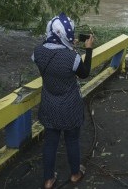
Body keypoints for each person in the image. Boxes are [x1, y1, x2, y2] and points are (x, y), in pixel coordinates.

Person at [32, 12, 94, 189]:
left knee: (50, 142)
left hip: (49, 104)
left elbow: (52, 58)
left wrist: (67, 45)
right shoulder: (72, 58)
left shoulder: (38, 52)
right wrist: (88, 49)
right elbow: (84, 73)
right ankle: (75, 174)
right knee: (72, 140)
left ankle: (48, 180)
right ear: (65, 34)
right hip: (70, 106)